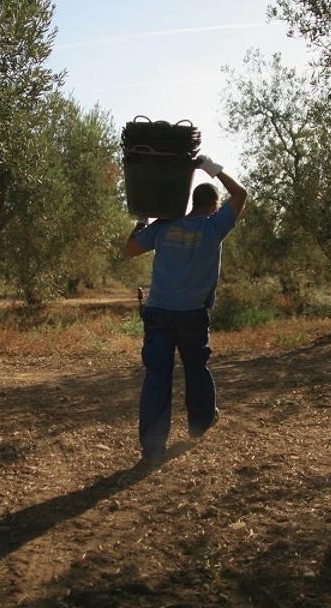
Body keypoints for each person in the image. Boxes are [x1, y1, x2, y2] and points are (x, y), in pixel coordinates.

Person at [124, 154, 248, 462]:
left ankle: (152, 448)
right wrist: (210, 168)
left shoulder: (165, 225)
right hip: (192, 315)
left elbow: (129, 249)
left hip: (158, 313)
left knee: (157, 376)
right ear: (214, 205)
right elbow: (242, 194)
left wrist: (143, 218)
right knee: (196, 370)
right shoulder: (214, 227)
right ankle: (200, 424)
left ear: (192, 202)